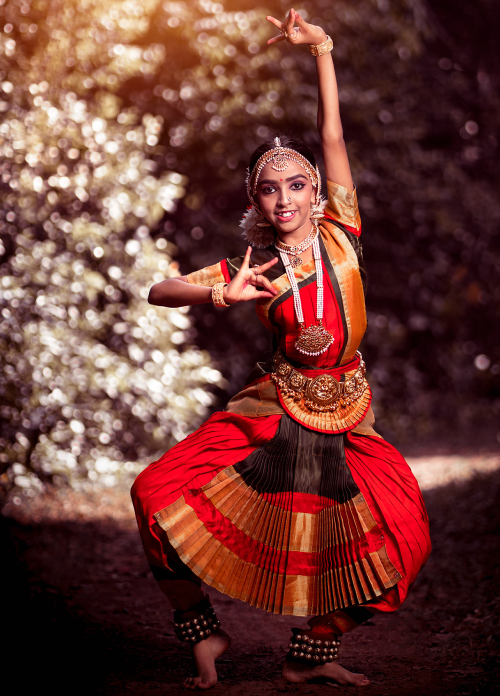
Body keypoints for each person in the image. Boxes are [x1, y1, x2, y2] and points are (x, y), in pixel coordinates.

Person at [131, 9, 431, 690]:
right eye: (270, 188)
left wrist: (322, 50)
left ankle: (311, 653)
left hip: (349, 407)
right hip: (276, 404)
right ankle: (203, 635)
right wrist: (216, 295)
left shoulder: (340, 231)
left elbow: (333, 132)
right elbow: (158, 288)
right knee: (153, 493)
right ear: (256, 202)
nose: (285, 196)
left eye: (297, 183)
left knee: (405, 536)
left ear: (317, 193)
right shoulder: (252, 265)